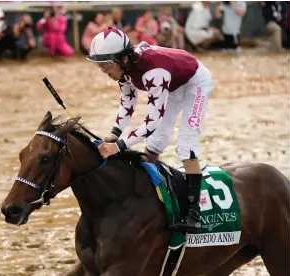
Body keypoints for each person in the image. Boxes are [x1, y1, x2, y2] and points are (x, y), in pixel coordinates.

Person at [87, 28, 214, 233]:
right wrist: (115, 133)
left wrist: (117, 147)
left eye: (106, 64)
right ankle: (149, 197)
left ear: (124, 59)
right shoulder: (125, 70)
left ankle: (193, 213)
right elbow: (128, 102)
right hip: (173, 83)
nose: (103, 70)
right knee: (155, 143)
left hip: (196, 84)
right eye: (99, 65)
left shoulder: (154, 72)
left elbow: (151, 122)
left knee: (185, 146)